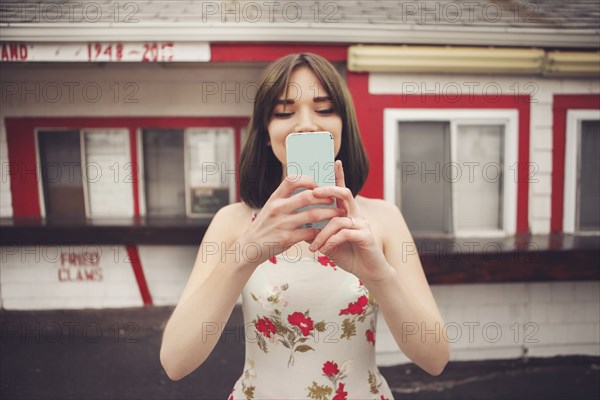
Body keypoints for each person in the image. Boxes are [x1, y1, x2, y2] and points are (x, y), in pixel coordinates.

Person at [160, 53, 450, 399]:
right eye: (284, 112)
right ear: (266, 133)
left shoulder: (383, 219)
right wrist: (245, 255)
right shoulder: (233, 222)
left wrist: (379, 275)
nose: (306, 124)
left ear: (344, 125)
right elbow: (175, 362)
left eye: (324, 109)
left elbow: (435, 359)